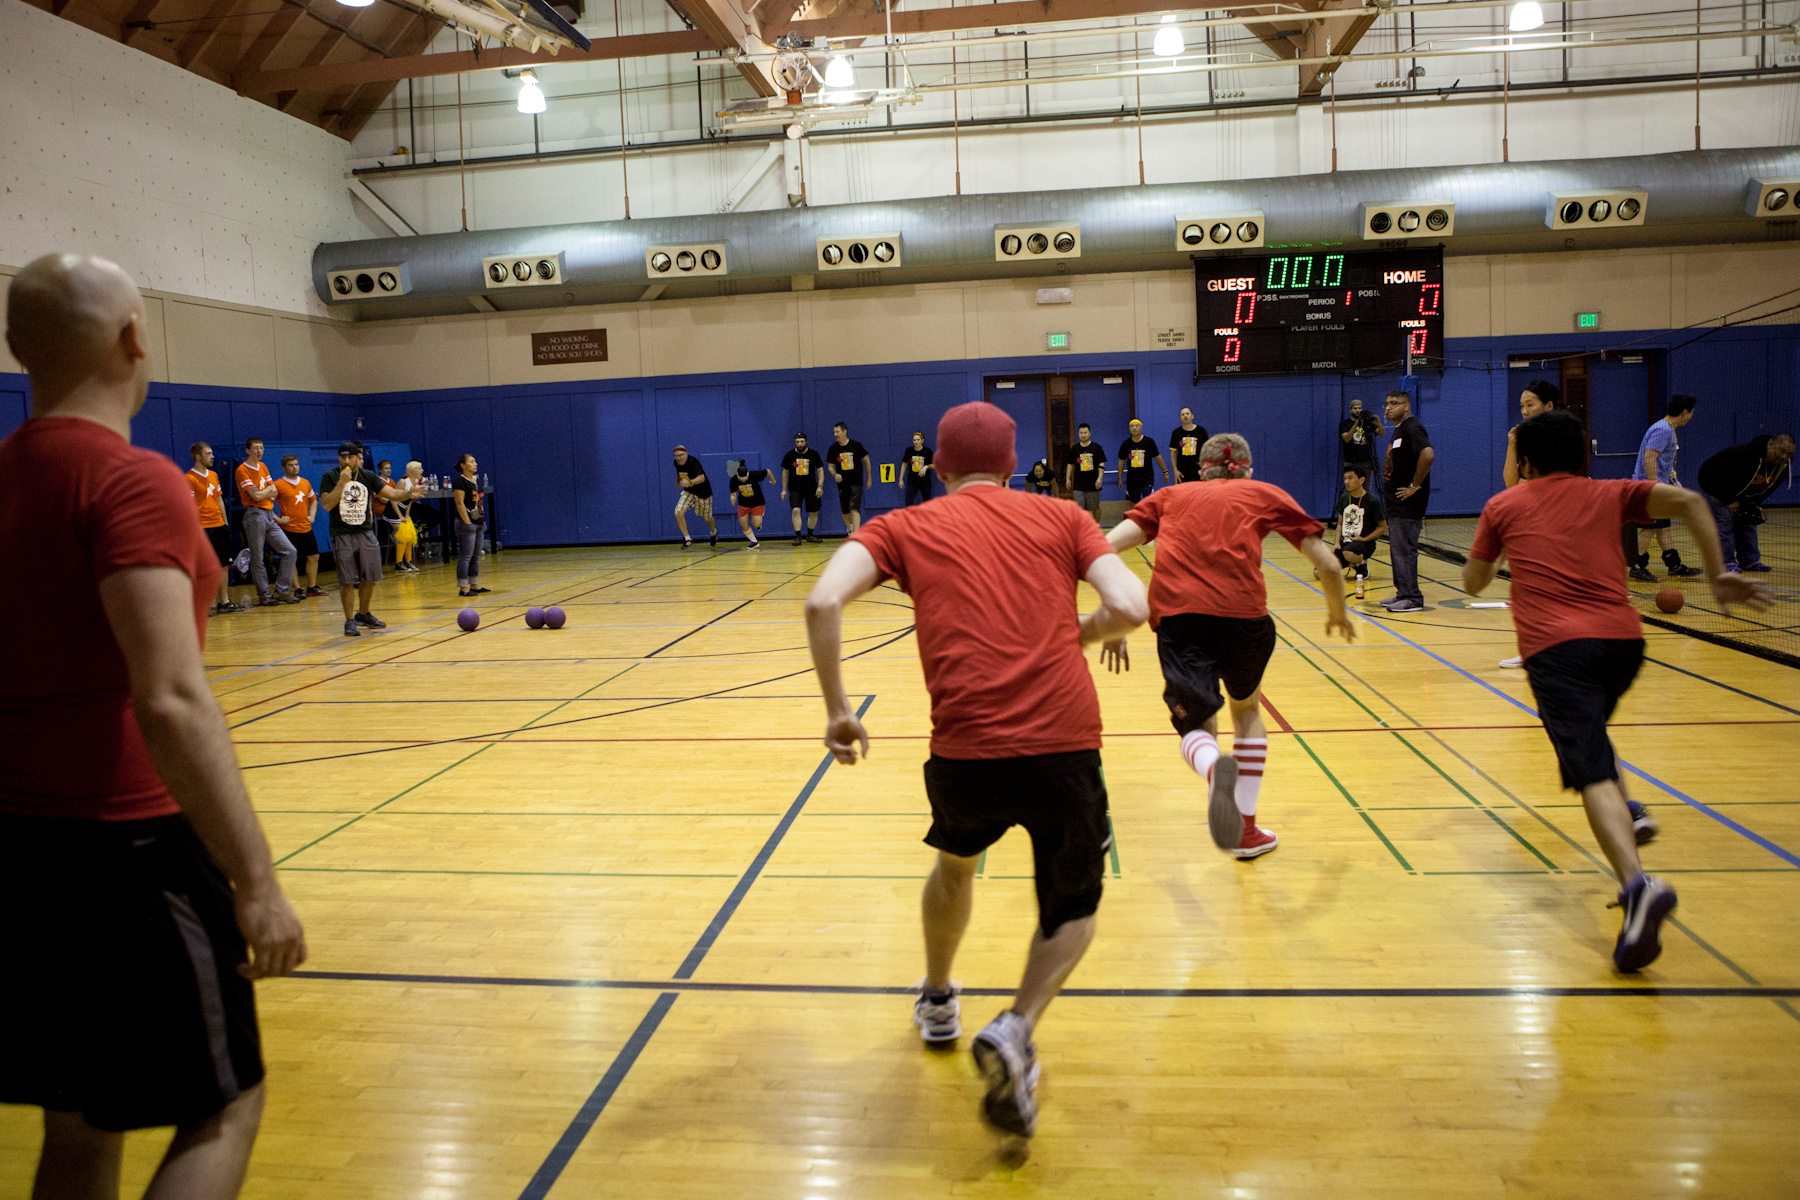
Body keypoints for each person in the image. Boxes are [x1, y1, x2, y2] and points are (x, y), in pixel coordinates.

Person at [0, 252, 306, 1200]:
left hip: (15, 848)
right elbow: (169, 696)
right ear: (136, 339)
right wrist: (254, 882)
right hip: (124, 851)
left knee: (81, 1123)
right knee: (222, 1103)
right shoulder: (132, 481)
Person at [804, 401, 1148, 1138]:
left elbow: (822, 599)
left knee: (956, 865)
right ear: (1013, 464)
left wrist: (838, 709)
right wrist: (1083, 633)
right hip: (1063, 745)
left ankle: (936, 997)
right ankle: (1019, 1026)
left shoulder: (903, 526)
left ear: (938, 467)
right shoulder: (1062, 518)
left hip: (964, 749)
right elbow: (1132, 604)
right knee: (1073, 905)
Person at [1463, 410, 1769, 971]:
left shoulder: (1504, 506)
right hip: (1624, 645)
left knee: (1590, 772)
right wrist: (1718, 573)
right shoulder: (1610, 492)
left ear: (1525, 462)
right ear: (1582, 456)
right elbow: (1693, 502)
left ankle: (1637, 886)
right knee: (1593, 745)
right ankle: (1628, 811)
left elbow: (1473, 583)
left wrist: (1505, 545)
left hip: (1557, 652)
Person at [1103, 433, 1354, 861]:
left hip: (1181, 621)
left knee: (1196, 726)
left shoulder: (1168, 495)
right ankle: (1246, 831)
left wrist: (1115, 619)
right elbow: (1329, 563)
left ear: (1201, 469)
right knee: (1248, 711)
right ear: (1247, 467)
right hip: (1246, 621)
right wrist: (1338, 613)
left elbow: (1104, 547)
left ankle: (1211, 766)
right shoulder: (1263, 493)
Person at [1497, 380, 1565, 668]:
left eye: (1530, 404)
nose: (1524, 411)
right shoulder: (1523, 439)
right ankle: (1533, 649)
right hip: (1531, 521)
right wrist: (1513, 445)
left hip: (1558, 521)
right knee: (1530, 590)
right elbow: (1511, 482)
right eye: (1522, 406)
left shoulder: (1564, 437)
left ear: (1549, 406)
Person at [320, 440, 414, 639]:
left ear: (357, 458)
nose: (346, 461)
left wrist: (408, 493)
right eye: (343, 457)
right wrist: (341, 483)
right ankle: (349, 621)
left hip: (365, 531)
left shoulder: (367, 476)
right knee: (346, 580)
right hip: (342, 533)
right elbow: (327, 505)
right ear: (338, 458)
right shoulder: (329, 477)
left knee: (370, 576)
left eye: (350, 457)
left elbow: (391, 493)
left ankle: (363, 614)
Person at [1628, 395, 1705, 583]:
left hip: (1659, 485)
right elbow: (1649, 458)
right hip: (1650, 488)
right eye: (1691, 413)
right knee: (1649, 528)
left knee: (1663, 527)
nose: (1691, 416)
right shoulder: (1663, 430)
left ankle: (1674, 565)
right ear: (1685, 412)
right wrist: (1655, 487)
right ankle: (1637, 566)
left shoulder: (1667, 429)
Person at [1697, 432, 1794, 573]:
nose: (1784, 456)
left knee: (1747, 519)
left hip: (1742, 492)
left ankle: (1750, 560)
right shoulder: (1746, 453)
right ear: (1771, 444)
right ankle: (1725, 563)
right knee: (1724, 520)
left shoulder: (1784, 464)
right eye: (1782, 451)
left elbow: (1769, 486)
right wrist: (1729, 501)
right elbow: (1722, 478)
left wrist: (1752, 504)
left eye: (1789, 454)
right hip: (1713, 485)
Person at [1380, 389, 1433, 612]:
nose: (1388, 407)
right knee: (1397, 550)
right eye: (1386, 404)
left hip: (1407, 504)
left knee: (1405, 551)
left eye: (1394, 403)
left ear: (1407, 406)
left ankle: (1412, 597)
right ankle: (1402, 593)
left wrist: (1414, 486)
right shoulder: (1399, 430)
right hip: (1395, 504)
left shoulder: (1412, 427)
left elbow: (1427, 454)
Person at [234, 436, 299, 606]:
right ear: (248, 450)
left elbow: (274, 491)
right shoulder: (242, 470)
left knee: (290, 551)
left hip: (269, 514)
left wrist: (265, 492)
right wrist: (266, 492)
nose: (259, 451)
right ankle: (264, 594)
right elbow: (255, 496)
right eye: (255, 448)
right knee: (258, 556)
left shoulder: (263, 466)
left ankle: (282, 591)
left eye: (261, 448)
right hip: (254, 515)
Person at [187, 441, 244, 616]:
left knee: (223, 565)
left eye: (212, 453)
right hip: (203, 528)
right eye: (208, 453)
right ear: (198, 456)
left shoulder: (213, 475)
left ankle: (224, 601)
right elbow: (189, 505)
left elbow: (219, 499)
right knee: (202, 567)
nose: (212, 456)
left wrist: (225, 522)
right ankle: (202, 604)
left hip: (219, 526)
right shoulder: (189, 478)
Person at [1329, 464, 1387, 602]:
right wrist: (1337, 543)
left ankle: (1362, 562)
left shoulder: (1372, 501)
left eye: (1350, 478)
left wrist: (1365, 539)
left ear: (1361, 480)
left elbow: (1383, 528)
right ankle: (1353, 564)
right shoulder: (1344, 498)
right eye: (1345, 478)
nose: (1347, 482)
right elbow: (1340, 524)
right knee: (1319, 572)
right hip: (1345, 544)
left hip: (1364, 544)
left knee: (1348, 553)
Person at [274, 455, 325, 597]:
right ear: (284, 468)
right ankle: (297, 589)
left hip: (305, 527)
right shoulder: (278, 485)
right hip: (289, 528)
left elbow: (314, 500)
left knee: (314, 556)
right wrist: (278, 519)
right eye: (291, 465)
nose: (295, 467)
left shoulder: (305, 483)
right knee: (291, 558)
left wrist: (312, 516)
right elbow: (265, 505)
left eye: (296, 464)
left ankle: (312, 587)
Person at [452, 453, 490, 595]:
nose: (475, 464)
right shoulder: (459, 482)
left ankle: (474, 584)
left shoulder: (477, 480)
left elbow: (479, 502)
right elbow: (460, 503)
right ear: (463, 465)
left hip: (479, 521)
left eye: (475, 461)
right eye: (472, 462)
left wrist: (482, 520)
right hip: (466, 522)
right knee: (465, 556)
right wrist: (468, 523)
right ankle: (463, 587)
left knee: (476, 555)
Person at [827, 422, 873, 535]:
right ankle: (849, 528)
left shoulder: (856, 445)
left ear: (844, 431)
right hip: (842, 484)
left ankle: (856, 535)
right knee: (845, 512)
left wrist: (869, 478)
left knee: (854, 509)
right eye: (834, 432)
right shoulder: (833, 448)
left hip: (856, 482)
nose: (835, 434)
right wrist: (834, 475)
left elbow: (866, 460)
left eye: (837, 432)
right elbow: (830, 467)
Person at [781, 433, 827, 545]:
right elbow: (785, 472)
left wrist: (820, 486)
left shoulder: (813, 454)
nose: (800, 444)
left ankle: (810, 535)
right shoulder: (790, 455)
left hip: (811, 488)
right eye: (797, 442)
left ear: (806, 442)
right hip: (795, 488)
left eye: (802, 441)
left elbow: (820, 471)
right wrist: (784, 489)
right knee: (796, 510)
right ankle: (798, 536)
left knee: (814, 512)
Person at [671, 445, 717, 549]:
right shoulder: (676, 463)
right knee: (678, 512)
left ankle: (713, 532)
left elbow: (702, 478)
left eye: (681, 455)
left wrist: (690, 482)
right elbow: (679, 472)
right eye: (676, 456)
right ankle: (687, 539)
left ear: (686, 453)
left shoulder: (693, 462)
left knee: (707, 518)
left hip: (703, 492)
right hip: (690, 491)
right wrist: (678, 482)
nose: (679, 458)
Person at [1117, 418, 1168, 504]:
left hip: (1147, 480)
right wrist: (1120, 479)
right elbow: (1121, 462)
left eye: (1137, 426)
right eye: (1132, 426)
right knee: (1131, 505)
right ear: (1129, 429)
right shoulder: (1126, 444)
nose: (1134, 428)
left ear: (1141, 428)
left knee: (1148, 503)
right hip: (1132, 481)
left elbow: (1157, 457)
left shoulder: (1149, 442)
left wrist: (1165, 471)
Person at [1065, 423, 1108, 521]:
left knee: (1094, 508)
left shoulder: (1096, 448)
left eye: (1085, 432)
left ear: (1089, 433)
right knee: (1079, 509)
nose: (1083, 435)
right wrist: (1068, 478)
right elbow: (1070, 464)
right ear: (1078, 434)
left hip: (1093, 484)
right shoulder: (1075, 449)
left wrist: (1099, 479)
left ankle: (1096, 526)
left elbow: (1102, 464)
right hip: (1078, 484)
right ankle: (1082, 530)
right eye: (1081, 433)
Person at [389, 461, 425, 573]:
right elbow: (393, 498)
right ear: (413, 470)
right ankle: (398, 563)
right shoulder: (403, 482)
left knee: (410, 536)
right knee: (403, 536)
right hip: (392, 512)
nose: (422, 471)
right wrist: (400, 515)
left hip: (403, 512)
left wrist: (407, 515)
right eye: (419, 468)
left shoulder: (415, 483)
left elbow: (409, 502)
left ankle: (408, 562)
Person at [731, 462, 776, 547]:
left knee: (756, 524)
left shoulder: (755, 475)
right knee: (743, 524)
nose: (743, 479)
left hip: (757, 502)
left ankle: (758, 524)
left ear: (748, 474)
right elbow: (733, 493)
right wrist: (733, 498)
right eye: (741, 478)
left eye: (745, 477)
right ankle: (754, 541)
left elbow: (768, 471)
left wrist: (773, 481)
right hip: (743, 504)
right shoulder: (733, 480)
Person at [1168, 407, 1210, 484]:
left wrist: (1206, 468)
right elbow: (1173, 453)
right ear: (1180, 418)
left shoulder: (1201, 431)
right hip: (1182, 472)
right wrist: (1175, 470)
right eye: (1183, 414)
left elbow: (1207, 451)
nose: (1185, 416)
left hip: (1198, 471)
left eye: (1187, 413)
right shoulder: (1176, 433)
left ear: (1192, 416)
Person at [1339, 399, 1380, 474]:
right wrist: (1357, 423)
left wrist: (1378, 423)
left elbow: (1381, 432)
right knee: (1351, 485)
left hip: (1366, 461)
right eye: (1355, 408)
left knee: (1366, 485)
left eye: (1359, 408)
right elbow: (1347, 439)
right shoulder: (1345, 424)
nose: (1358, 410)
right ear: (1350, 410)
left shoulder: (1367, 423)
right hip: (1351, 461)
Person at [900, 431, 935, 506]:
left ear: (922, 440)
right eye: (914, 440)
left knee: (927, 503)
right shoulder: (909, 451)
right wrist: (900, 479)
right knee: (908, 503)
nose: (916, 442)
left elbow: (935, 465)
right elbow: (904, 464)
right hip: (912, 481)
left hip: (925, 481)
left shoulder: (927, 451)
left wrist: (926, 467)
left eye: (918, 440)